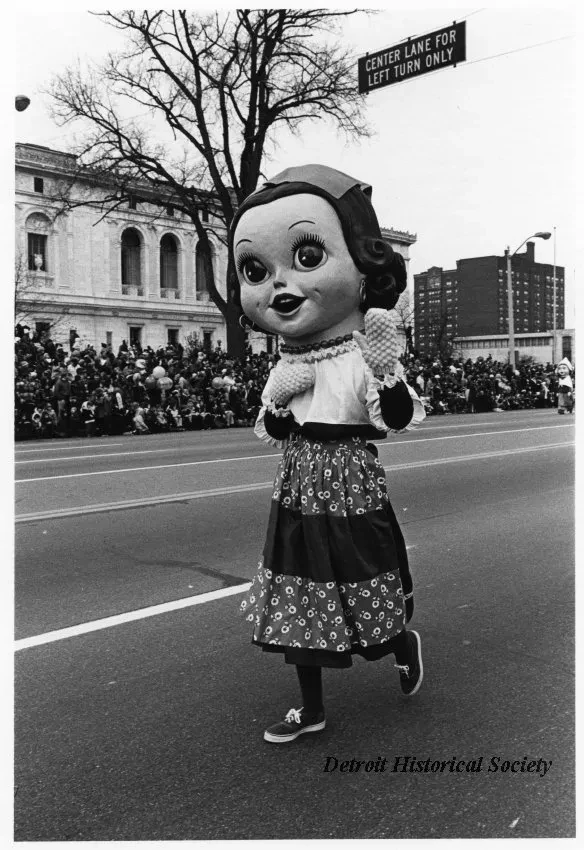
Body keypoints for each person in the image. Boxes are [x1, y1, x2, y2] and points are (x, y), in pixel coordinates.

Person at [230, 164, 426, 744]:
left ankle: (398, 643)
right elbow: (271, 428)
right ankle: (310, 709)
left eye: (308, 257)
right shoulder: (287, 363)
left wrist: (388, 372)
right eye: (256, 270)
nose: (280, 286)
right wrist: (278, 402)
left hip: (349, 476)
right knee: (299, 589)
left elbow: (394, 419)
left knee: (363, 580)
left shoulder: (363, 352)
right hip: (298, 478)